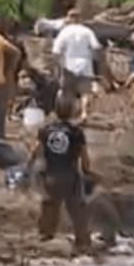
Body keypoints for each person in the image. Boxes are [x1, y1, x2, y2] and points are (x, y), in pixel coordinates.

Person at [30, 95, 92, 252]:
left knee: (49, 208)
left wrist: (30, 168)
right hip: (70, 176)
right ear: (72, 111)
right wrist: (88, 172)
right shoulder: (76, 132)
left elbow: (36, 151)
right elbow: (85, 160)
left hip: (50, 175)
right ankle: (82, 242)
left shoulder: (45, 130)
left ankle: (44, 238)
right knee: (78, 210)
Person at [52, 9, 102, 121]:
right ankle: (84, 113)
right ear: (80, 19)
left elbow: (56, 51)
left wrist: (58, 65)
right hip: (85, 63)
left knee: (69, 90)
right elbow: (96, 47)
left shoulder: (64, 32)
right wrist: (96, 61)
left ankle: (71, 113)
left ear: (69, 18)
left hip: (69, 63)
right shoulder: (87, 31)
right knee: (85, 91)